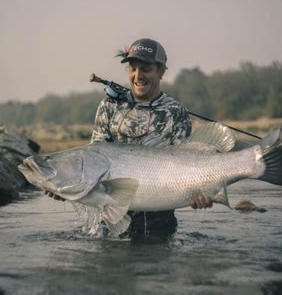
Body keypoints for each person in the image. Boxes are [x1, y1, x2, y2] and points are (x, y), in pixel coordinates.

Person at [90, 38, 213, 238]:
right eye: (132, 69)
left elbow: (188, 165)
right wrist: (62, 187)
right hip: (112, 221)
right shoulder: (109, 106)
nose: (138, 76)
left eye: (146, 69)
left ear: (161, 71)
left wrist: (202, 193)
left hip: (160, 223)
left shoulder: (176, 112)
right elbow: (94, 162)